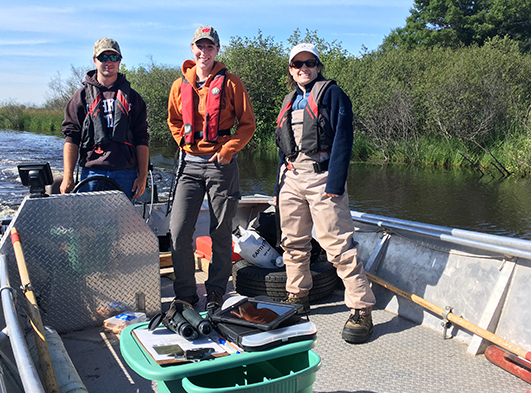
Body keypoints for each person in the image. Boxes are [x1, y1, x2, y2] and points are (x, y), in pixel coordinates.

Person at [274, 43, 376, 344]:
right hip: (291, 177)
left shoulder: (333, 94)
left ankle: (361, 308)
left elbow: (344, 140)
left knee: (338, 246)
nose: (303, 69)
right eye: (297, 64)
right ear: (291, 70)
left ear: (318, 66)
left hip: (322, 177)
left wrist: (335, 184)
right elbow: (284, 145)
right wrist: (280, 183)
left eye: (309, 63)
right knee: (292, 242)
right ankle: (298, 295)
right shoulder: (289, 98)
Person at [167, 26, 256, 311]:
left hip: (221, 166)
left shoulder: (231, 83)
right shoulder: (179, 85)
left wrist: (227, 151)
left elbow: (247, 125)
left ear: (217, 50)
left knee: (220, 232)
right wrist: (184, 142)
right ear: (191, 49)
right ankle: (185, 292)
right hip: (189, 167)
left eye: (209, 47)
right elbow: (174, 122)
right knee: (178, 231)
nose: (204, 52)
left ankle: (216, 290)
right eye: (199, 46)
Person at [60, 38, 149, 201]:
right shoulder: (80, 97)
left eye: (113, 57)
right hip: (91, 171)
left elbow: (142, 138)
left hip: (126, 172)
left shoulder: (133, 97)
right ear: (95, 60)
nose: (109, 62)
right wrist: (68, 176)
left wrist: (142, 176)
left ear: (119, 61)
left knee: (122, 225)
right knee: (88, 224)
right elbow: (71, 138)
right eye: (103, 57)